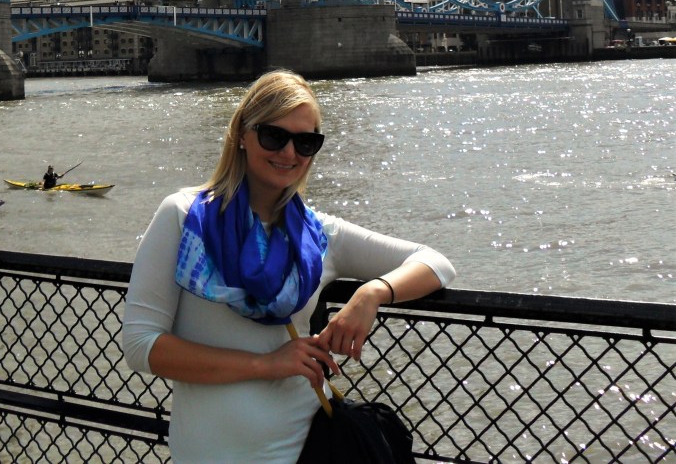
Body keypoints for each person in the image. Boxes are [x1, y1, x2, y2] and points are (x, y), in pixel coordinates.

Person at [123, 70, 456, 463]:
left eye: (305, 142)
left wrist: (371, 293)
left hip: (308, 450)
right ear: (242, 135)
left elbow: (435, 263)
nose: (289, 153)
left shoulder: (321, 235)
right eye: (273, 136)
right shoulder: (183, 218)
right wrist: (264, 365)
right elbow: (141, 346)